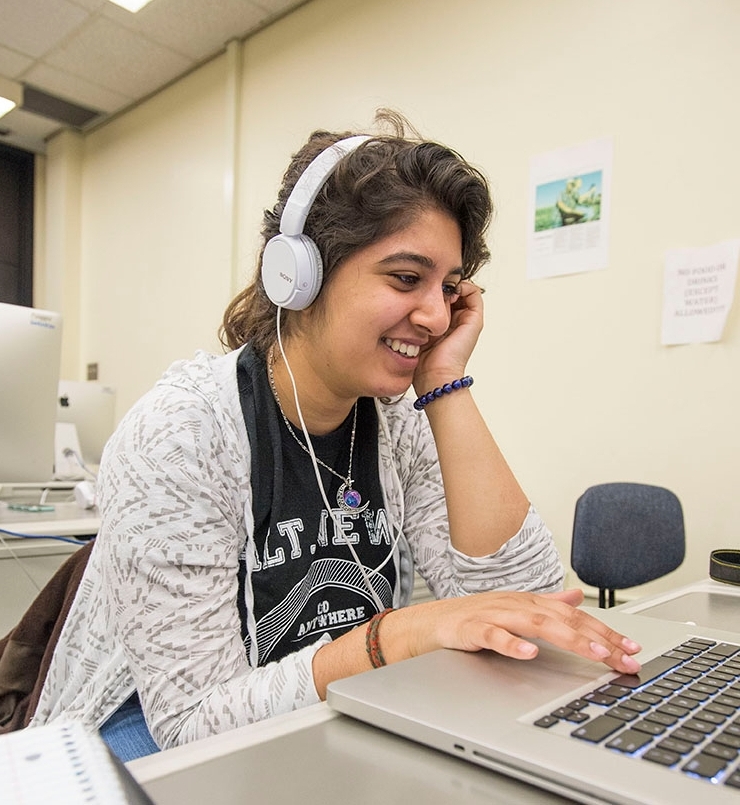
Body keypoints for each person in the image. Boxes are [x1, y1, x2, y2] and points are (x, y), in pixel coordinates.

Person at [28, 110, 641, 762]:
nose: (436, 313)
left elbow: (537, 607)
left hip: (332, 695)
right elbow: (195, 719)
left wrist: (443, 382)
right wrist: (392, 637)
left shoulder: (398, 417)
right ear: (298, 275)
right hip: (150, 727)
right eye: (407, 279)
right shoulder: (181, 433)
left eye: (450, 287)